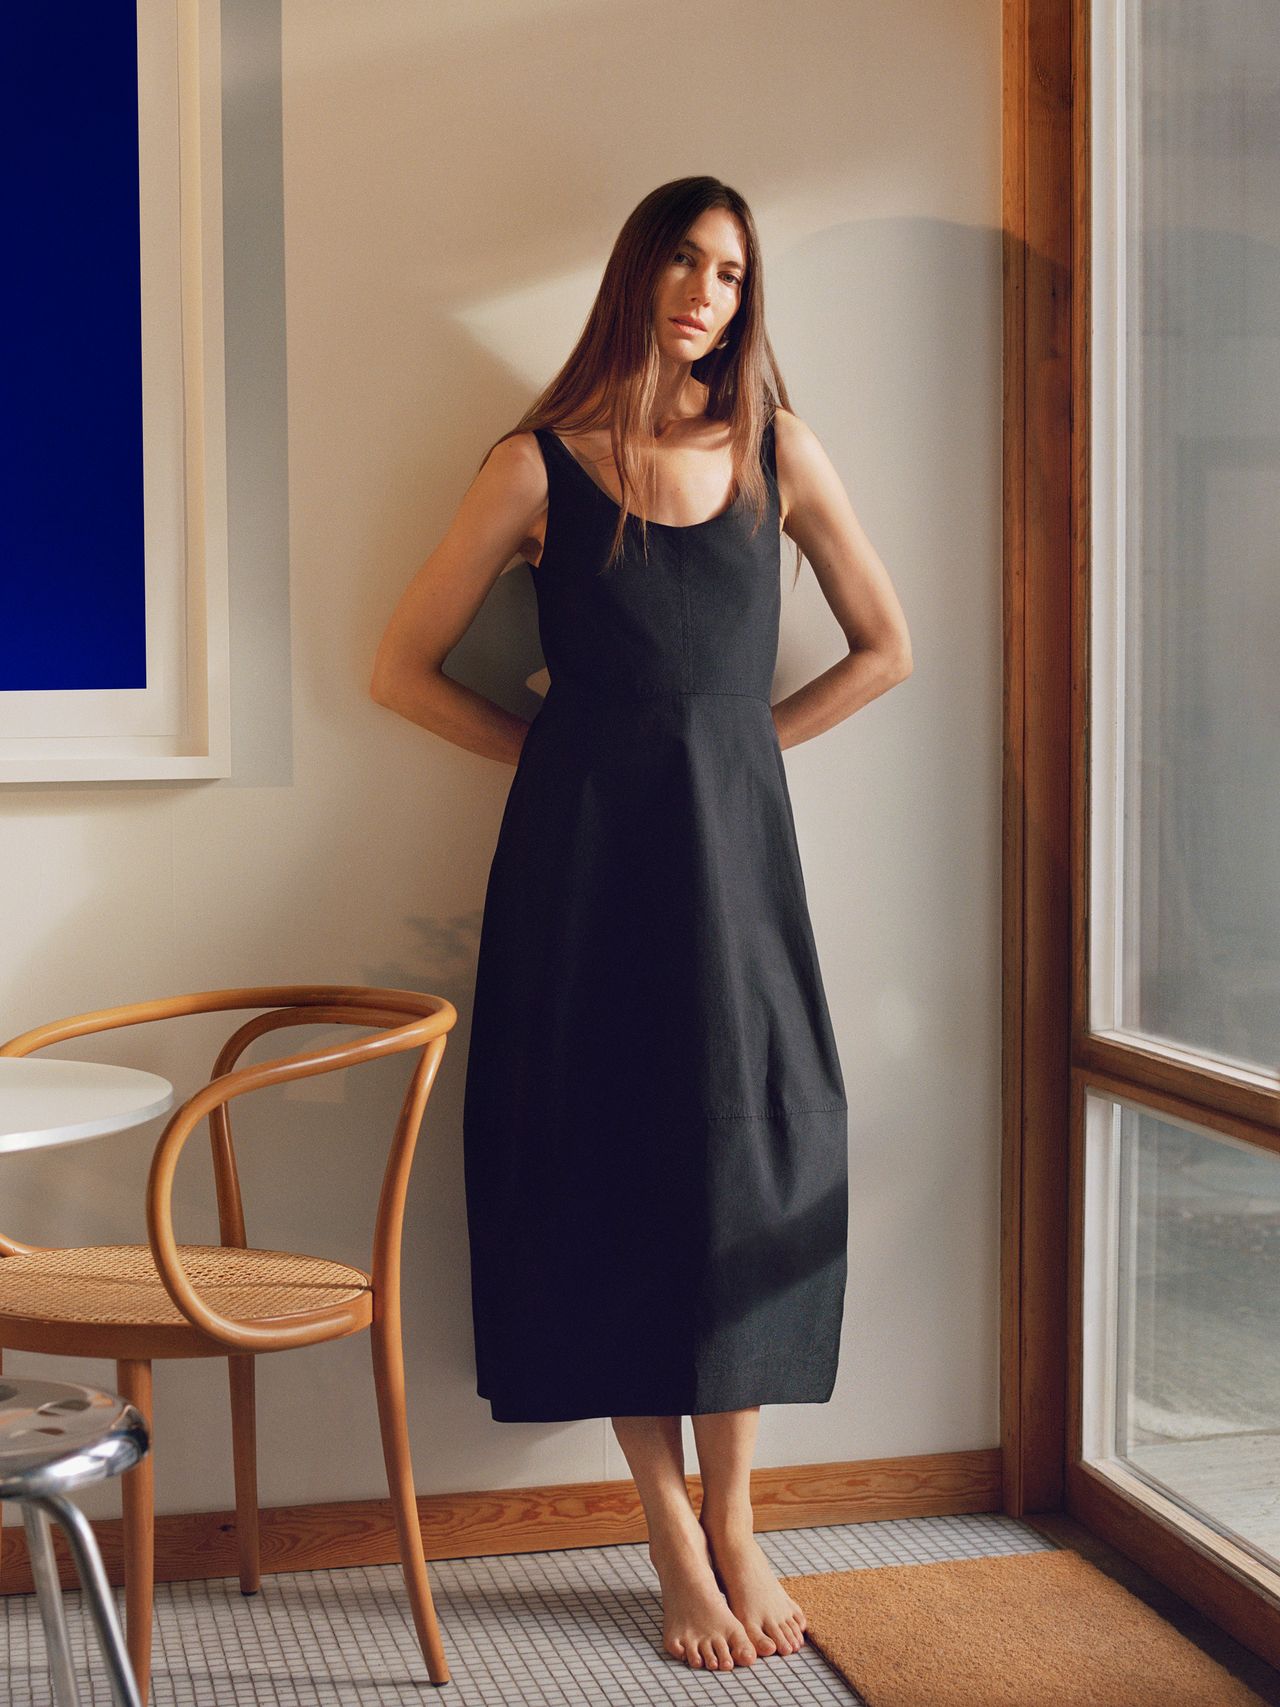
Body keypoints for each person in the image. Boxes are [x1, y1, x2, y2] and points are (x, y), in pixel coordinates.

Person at [371, 175, 912, 1674]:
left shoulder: (778, 452)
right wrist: (571, 761)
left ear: (748, 301)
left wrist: (731, 751)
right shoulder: (535, 468)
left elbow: (887, 649)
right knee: (607, 1166)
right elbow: (401, 669)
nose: (706, 291)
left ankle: (742, 1522)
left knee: (746, 1167)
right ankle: (668, 1531)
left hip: (737, 871)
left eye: (732, 273)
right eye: (684, 260)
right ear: (638, 274)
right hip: (581, 870)